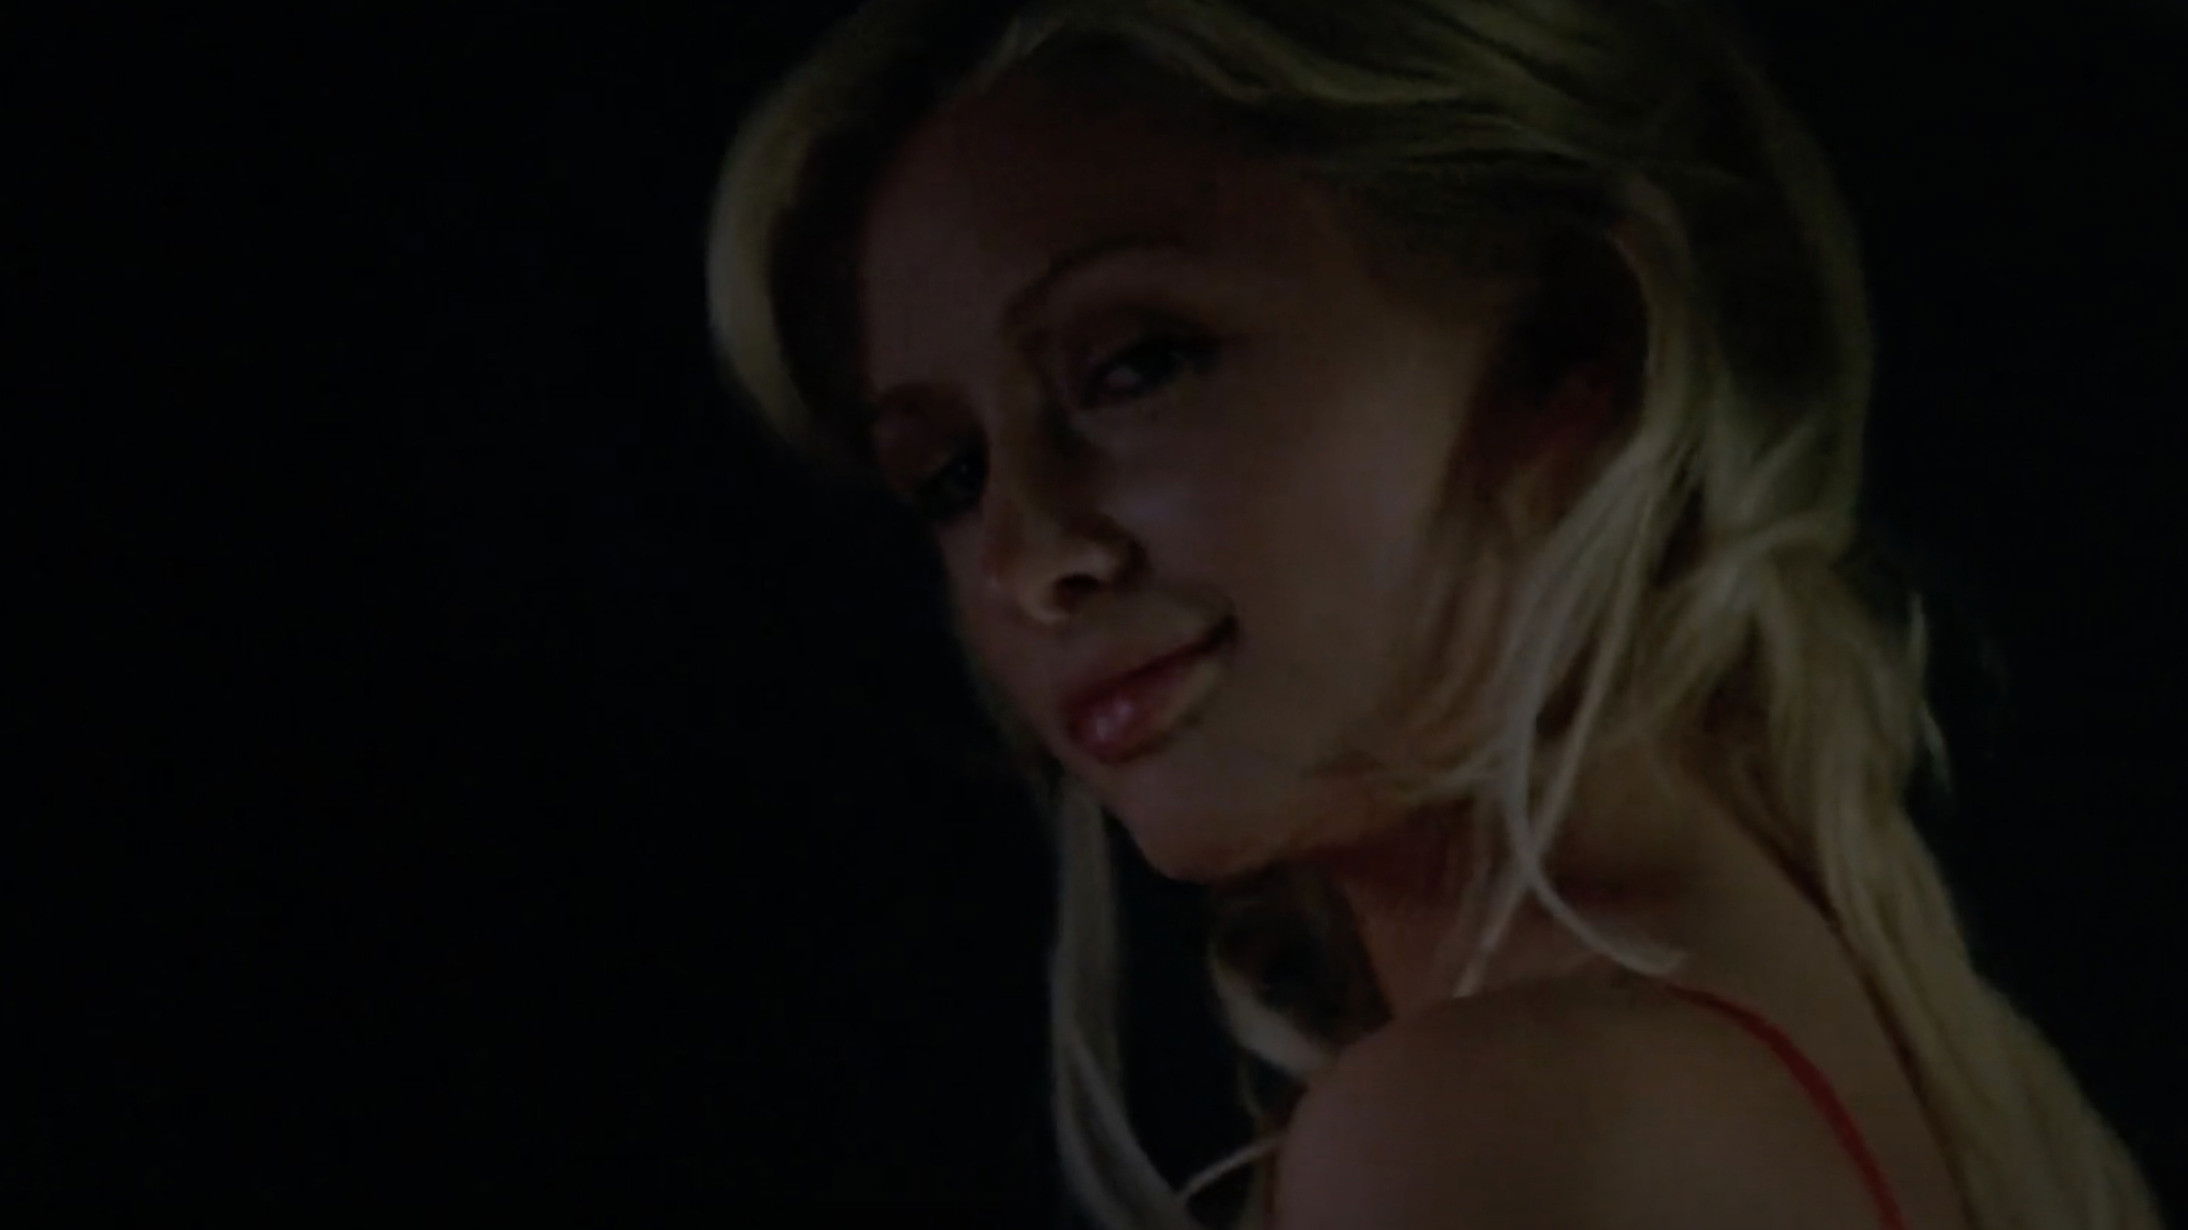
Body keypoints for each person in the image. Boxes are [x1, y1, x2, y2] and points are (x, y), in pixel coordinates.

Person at [704, 0, 2167, 1225]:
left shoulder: (1499, 1120)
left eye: (1140, 363)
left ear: (1573, 347)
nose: (1026, 559)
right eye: (950, 475)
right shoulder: (1822, 1040)